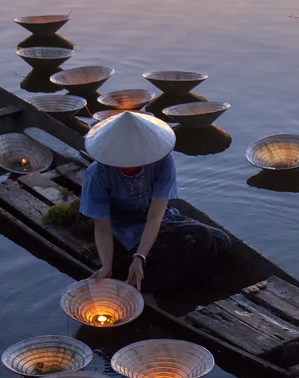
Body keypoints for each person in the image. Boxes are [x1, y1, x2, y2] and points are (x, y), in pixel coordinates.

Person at [79, 111, 229, 293]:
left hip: (158, 222)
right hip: (125, 233)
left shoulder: (163, 162)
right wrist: (106, 266)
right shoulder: (98, 174)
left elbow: (156, 216)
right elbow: (102, 227)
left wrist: (140, 257)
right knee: (201, 236)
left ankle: (166, 277)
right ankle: (146, 287)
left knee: (221, 241)